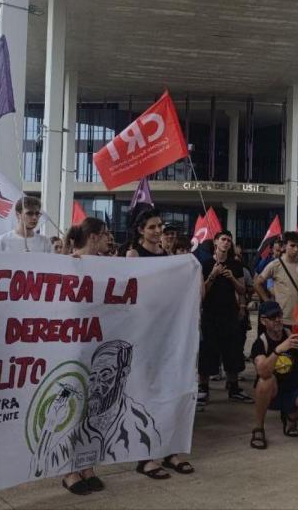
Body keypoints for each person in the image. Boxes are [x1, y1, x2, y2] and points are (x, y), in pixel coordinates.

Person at [123, 208, 193, 478]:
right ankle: (145, 456)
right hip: (143, 333)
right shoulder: (132, 255)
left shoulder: (166, 256)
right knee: (145, 393)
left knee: (169, 389)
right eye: (152, 227)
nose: (157, 231)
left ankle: (169, 449)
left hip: (167, 331)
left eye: (159, 227)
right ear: (141, 229)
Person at [55, 217, 111, 496]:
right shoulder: (69, 263)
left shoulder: (105, 264)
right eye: (105, 235)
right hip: (72, 344)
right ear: (93, 237)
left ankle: (87, 463)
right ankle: (67, 469)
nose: (108, 240)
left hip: (96, 343)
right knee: (71, 409)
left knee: (93, 408)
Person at [248, 301, 298, 449]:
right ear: (263, 320)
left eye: (279, 315)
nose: (277, 319)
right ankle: (258, 428)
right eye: (272, 317)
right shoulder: (260, 343)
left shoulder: (293, 336)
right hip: (272, 394)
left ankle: (291, 415)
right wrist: (279, 350)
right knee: (265, 381)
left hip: (293, 390)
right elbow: (263, 372)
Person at [199, 229, 253, 407]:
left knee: (232, 351)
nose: (226, 243)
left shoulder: (236, 265)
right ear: (215, 242)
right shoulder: (205, 264)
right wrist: (213, 275)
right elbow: (201, 293)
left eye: (229, 240)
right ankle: (203, 387)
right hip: (210, 315)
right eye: (223, 239)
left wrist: (232, 279)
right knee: (207, 351)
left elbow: (243, 290)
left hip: (229, 314)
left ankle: (234, 387)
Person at [254, 231, 298, 326]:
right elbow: (257, 283)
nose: (296, 249)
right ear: (284, 246)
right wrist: (267, 301)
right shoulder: (275, 265)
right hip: (282, 318)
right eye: (292, 245)